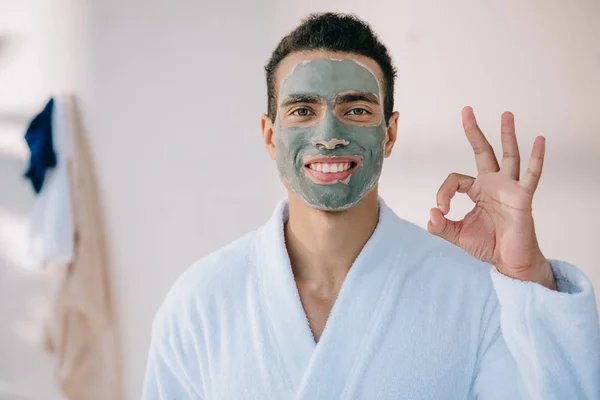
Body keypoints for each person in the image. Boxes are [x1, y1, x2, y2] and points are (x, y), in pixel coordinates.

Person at [142, 13, 600, 399]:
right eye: (302, 111)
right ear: (269, 134)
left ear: (390, 132)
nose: (328, 134)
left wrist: (526, 276)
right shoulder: (202, 301)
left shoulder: (471, 293)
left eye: (356, 110)